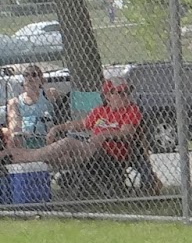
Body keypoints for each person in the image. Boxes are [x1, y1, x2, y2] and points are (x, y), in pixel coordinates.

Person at [13, 78, 146, 186]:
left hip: (110, 154)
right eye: (120, 93)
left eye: (127, 92)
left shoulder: (131, 110)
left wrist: (104, 134)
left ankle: (24, 157)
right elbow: (80, 124)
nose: (125, 96)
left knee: (68, 143)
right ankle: (22, 159)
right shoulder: (100, 111)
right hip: (90, 152)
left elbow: (126, 133)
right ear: (107, 96)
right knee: (57, 158)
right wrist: (57, 128)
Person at [5, 64, 62, 153]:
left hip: (47, 137)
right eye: (26, 75)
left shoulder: (49, 94)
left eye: (34, 74)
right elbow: (15, 127)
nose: (29, 77)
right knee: (14, 138)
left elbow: (63, 105)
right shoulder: (15, 102)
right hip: (26, 138)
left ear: (41, 80)